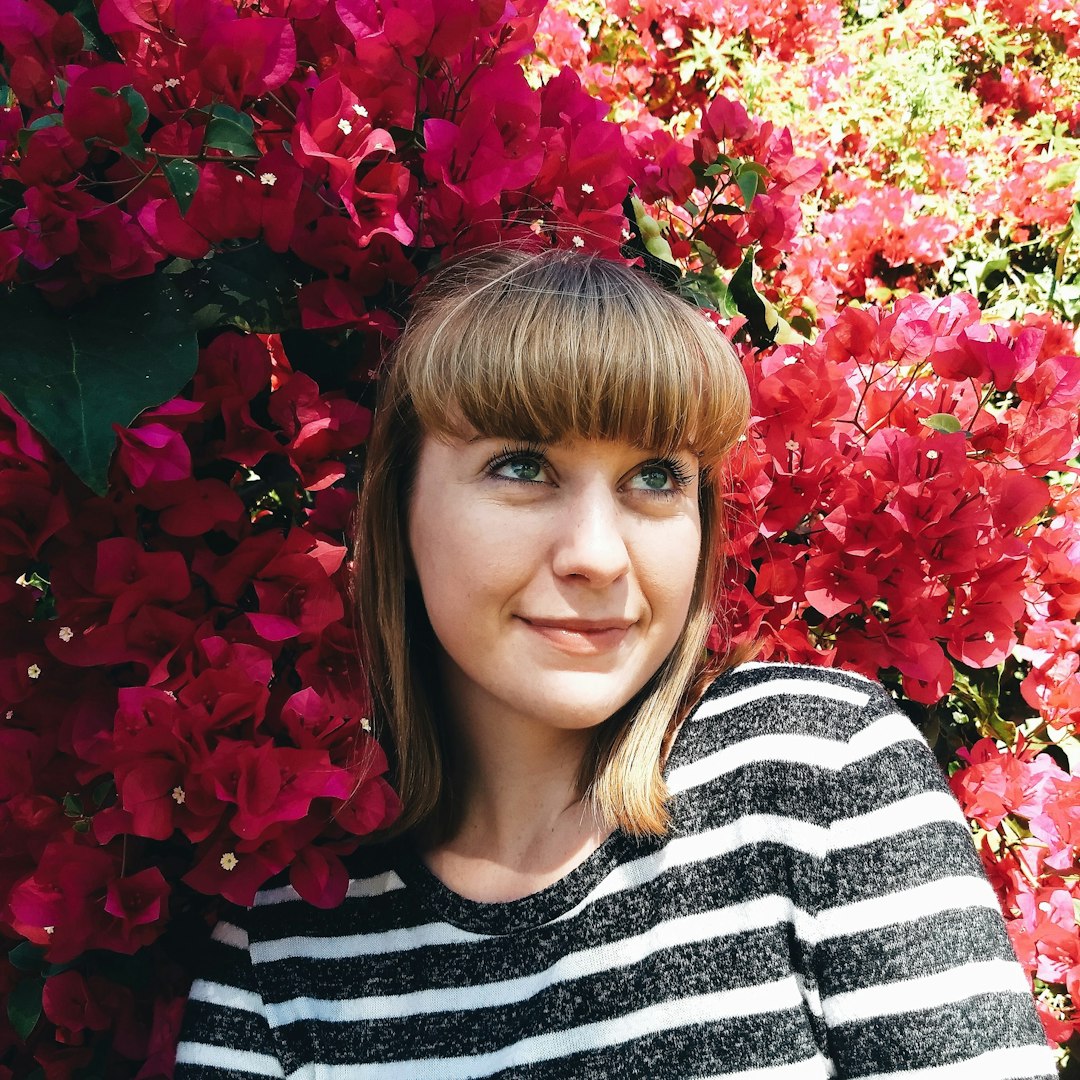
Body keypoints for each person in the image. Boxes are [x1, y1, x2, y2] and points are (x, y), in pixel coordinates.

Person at [174, 248, 1057, 1079]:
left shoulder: (818, 775)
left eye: (656, 478)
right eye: (521, 466)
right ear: (397, 511)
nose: (597, 555)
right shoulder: (282, 955)